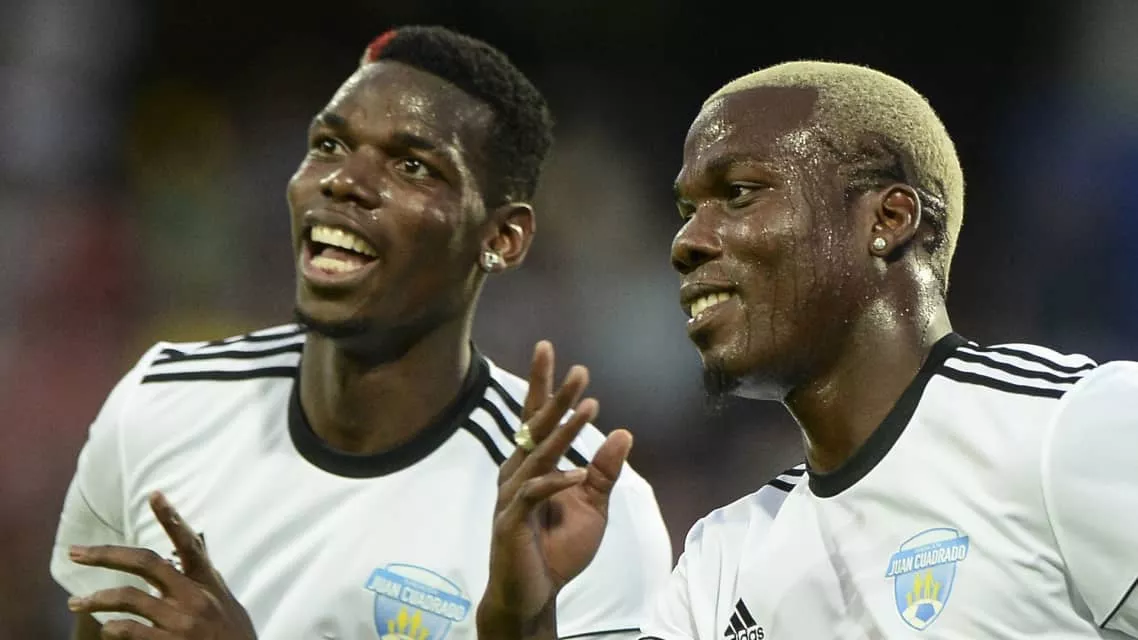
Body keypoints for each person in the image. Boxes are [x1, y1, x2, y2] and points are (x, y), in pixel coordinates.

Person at [476, 61, 1138, 639]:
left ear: (888, 220)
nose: (686, 242)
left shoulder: (1068, 429)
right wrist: (519, 619)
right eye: (686, 211)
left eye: (738, 194)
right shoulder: (722, 558)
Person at [51, 25, 672, 640]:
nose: (344, 180)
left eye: (412, 165)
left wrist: (521, 623)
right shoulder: (162, 403)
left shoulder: (579, 505)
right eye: (328, 145)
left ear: (502, 239)